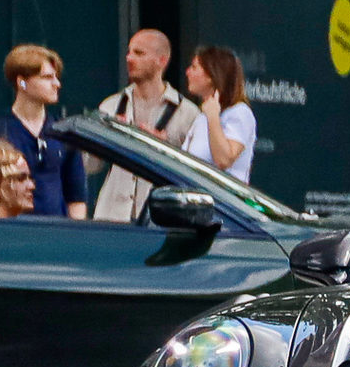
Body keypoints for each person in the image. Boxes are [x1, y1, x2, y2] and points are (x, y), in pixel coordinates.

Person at [92, 29, 203, 223]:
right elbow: (89, 166)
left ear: (161, 60)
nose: (129, 58)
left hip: (158, 221)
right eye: (129, 52)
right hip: (111, 217)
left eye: (139, 53)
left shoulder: (187, 113)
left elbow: (195, 176)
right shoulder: (111, 106)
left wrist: (164, 149)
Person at [0, 45, 85, 218]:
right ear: (22, 82)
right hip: (10, 230)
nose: (56, 84)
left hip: (57, 233)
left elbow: (76, 195)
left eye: (56, 77)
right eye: (47, 77)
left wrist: (77, 237)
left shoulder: (64, 132)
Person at [179, 45, 256, 181]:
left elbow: (223, 160)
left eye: (194, 67)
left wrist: (213, 117)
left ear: (211, 75)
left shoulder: (239, 113)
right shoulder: (202, 117)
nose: (187, 72)